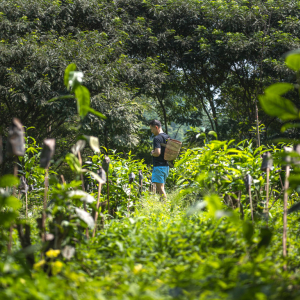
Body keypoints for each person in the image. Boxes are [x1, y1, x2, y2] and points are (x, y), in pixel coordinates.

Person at [149, 119, 170, 199]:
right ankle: (162, 204)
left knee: (160, 189)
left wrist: (152, 153)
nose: (151, 131)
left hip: (159, 166)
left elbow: (157, 153)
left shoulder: (157, 138)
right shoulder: (167, 137)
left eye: (152, 129)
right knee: (161, 187)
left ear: (156, 127)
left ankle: (166, 206)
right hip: (166, 166)